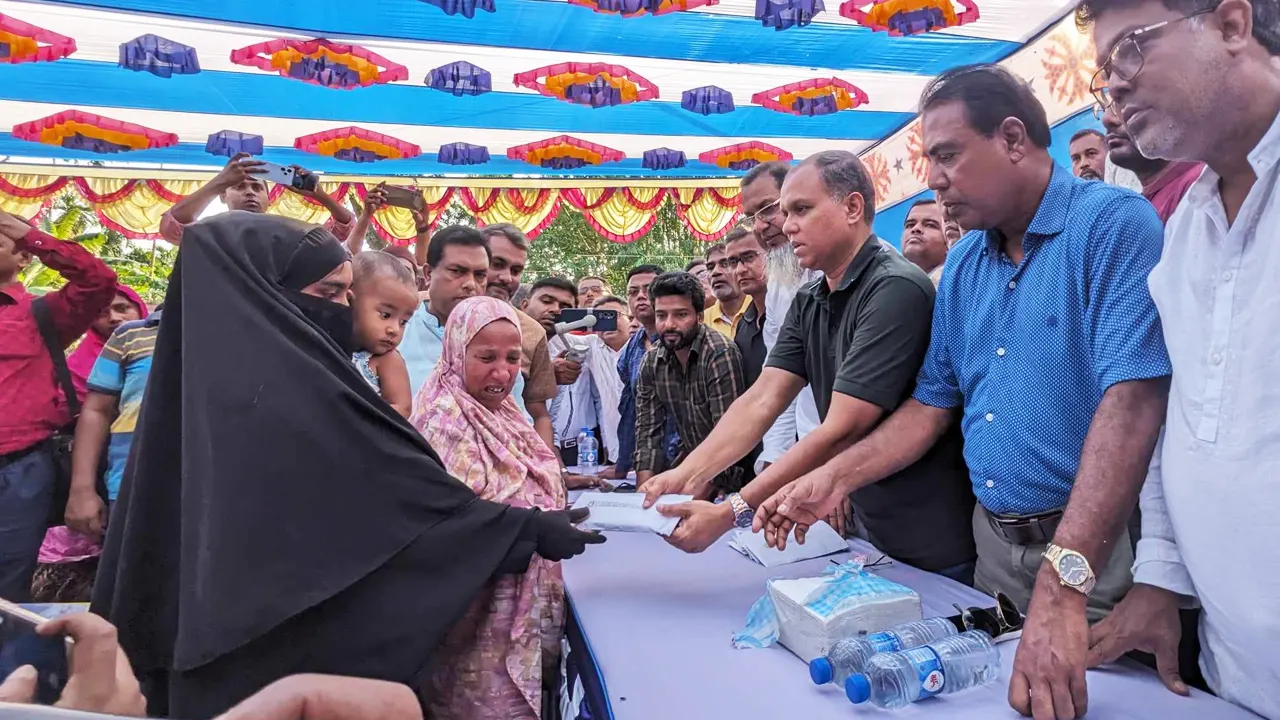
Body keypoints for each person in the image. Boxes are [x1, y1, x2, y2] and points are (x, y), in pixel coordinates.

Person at [754, 64, 1173, 720]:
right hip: (994, 554)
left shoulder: (1112, 225)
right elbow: (929, 407)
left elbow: (1133, 399)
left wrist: (1066, 583)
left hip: (1096, 556)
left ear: (1012, 138)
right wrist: (833, 481)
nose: (934, 179)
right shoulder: (966, 268)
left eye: (947, 155)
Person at [90, 213, 602, 719]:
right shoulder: (291, 392)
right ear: (269, 291)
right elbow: (390, 506)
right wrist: (522, 531)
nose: (348, 311)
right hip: (266, 660)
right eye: (332, 294)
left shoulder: (220, 387)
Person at [1078, 2, 1280, 719]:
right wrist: (1159, 574)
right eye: (1106, 73)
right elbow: (1182, 418)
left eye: (1130, 50)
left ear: (1231, 25)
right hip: (1235, 672)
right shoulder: (1186, 227)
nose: (1117, 87)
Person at [643, 153, 976, 581]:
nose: (785, 226)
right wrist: (687, 474)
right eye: (783, 213)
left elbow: (843, 427)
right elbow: (762, 398)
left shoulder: (893, 287)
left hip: (927, 529)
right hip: (863, 515)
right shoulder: (811, 295)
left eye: (801, 210)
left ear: (853, 208)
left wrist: (731, 512)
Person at [409, 295, 570, 719]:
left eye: (513, 357)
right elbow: (448, 525)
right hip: (474, 624)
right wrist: (535, 527)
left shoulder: (506, 413)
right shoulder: (442, 419)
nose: (502, 372)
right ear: (456, 351)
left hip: (519, 605)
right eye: (485, 357)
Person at [0, 209, 117, 602]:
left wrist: (20, 229)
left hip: (18, 470)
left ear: (22, 258)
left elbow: (98, 280)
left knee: (8, 589)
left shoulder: (42, 314)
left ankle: (13, 665)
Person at [740, 161, 822, 476]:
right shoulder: (779, 283)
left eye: (768, 209)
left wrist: (830, 468)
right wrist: (774, 460)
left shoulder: (874, 276)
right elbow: (779, 384)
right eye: (751, 218)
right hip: (809, 457)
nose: (760, 227)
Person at [635, 272, 746, 493]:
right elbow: (648, 432)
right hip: (688, 469)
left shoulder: (719, 354)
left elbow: (728, 437)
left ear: (700, 317)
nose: (669, 325)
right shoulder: (652, 361)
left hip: (733, 476)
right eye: (661, 315)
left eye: (680, 315)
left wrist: (692, 500)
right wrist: (642, 494)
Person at [480, 224, 559, 451]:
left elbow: (538, 413)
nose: (506, 278)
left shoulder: (532, 332)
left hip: (508, 461)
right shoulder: (417, 312)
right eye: (497, 264)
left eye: (516, 270)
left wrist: (552, 472)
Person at [160, 153, 354, 245]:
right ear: (223, 196)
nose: (250, 192)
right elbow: (172, 227)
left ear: (269, 199)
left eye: (256, 187)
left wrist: (318, 194)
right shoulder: (210, 232)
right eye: (239, 186)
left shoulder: (287, 232)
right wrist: (219, 181)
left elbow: (343, 229)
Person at [398, 226, 488, 405]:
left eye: (480, 275)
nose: (470, 284)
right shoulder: (396, 334)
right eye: (457, 271)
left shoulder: (497, 341)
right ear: (428, 274)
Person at [1099, 104, 1204, 224]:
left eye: (1124, 104)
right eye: (1105, 108)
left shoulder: (1200, 187)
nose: (1106, 119)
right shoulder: (1139, 205)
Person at [350, 252, 417, 417]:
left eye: (403, 322)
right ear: (350, 302)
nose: (394, 329)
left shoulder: (387, 360)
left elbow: (402, 408)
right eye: (385, 315)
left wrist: (357, 417)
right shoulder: (331, 343)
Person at [67, 285, 146, 399]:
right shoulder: (76, 367)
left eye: (121, 308)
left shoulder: (166, 346)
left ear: (139, 308)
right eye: (101, 314)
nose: (114, 318)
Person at [343, 185, 432, 271]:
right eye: (387, 269)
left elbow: (422, 266)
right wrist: (366, 214)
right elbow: (350, 257)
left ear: (417, 280)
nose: (397, 275)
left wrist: (423, 227)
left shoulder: (418, 282)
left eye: (406, 270)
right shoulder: (366, 283)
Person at [586, 296, 630, 466]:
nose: (607, 322)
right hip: (616, 454)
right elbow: (551, 340)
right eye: (600, 319)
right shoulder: (591, 347)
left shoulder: (647, 346)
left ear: (630, 318)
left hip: (654, 454)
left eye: (613, 315)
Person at [724, 227, 768, 387]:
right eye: (733, 262)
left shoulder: (790, 313)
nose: (740, 270)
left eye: (749, 257)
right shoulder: (744, 324)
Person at [702, 242, 750, 338]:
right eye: (710, 268)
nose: (715, 272)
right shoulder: (702, 322)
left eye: (725, 264)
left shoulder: (762, 308)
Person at [900, 199, 949, 282]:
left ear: (949, 240)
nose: (915, 229)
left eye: (930, 225)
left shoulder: (959, 283)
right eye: (910, 225)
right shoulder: (888, 283)